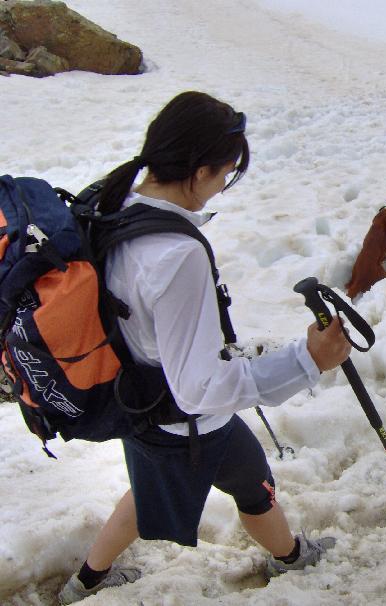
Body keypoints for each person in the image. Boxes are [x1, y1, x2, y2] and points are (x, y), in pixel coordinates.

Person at [58, 91, 352, 605]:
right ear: (198, 172)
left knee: (153, 486)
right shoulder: (176, 256)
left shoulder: (113, 201)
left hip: (137, 400)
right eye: (225, 174)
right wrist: (308, 361)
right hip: (185, 421)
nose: (222, 187)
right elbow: (199, 389)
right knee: (253, 482)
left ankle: (85, 581)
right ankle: (291, 557)